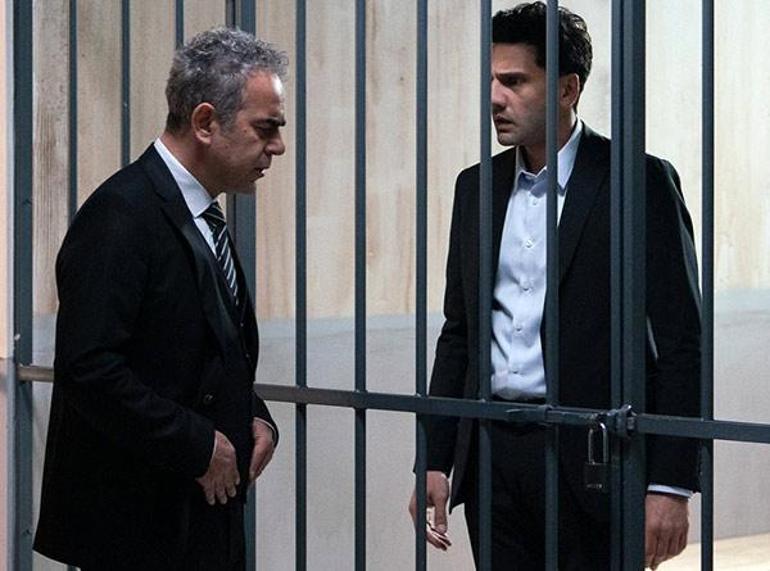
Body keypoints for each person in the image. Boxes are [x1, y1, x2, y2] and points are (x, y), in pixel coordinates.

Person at [408, 3, 701, 569]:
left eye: (514, 81)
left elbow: (681, 341)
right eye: (492, 80)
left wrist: (670, 485)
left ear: (568, 88)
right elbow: (460, 332)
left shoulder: (637, 181)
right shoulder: (476, 188)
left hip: (596, 455)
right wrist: (435, 459)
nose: (495, 98)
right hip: (493, 456)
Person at [34, 28, 287, 570]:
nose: (277, 147)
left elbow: (204, 348)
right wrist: (196, 444)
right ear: (205, 122)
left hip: (195, 519)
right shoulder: (121, 214)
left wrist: (254, 416)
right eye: (265, 128)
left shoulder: (200, 214)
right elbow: (89, 367)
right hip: (140, 525)